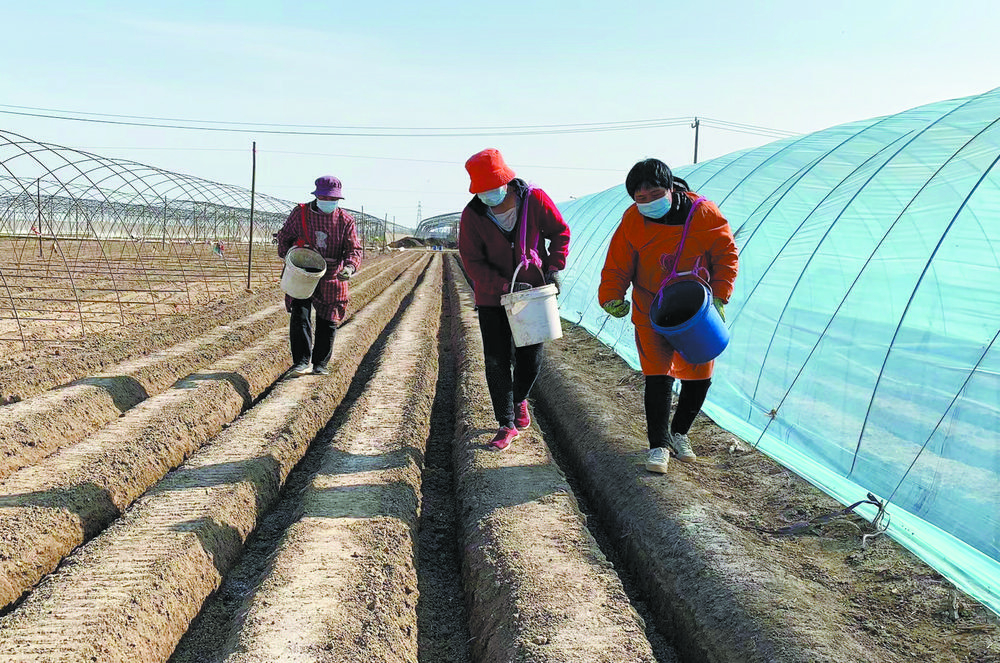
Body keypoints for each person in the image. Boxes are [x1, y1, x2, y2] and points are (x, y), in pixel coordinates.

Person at [598, 158, 737, 473]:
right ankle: (658, 445)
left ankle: (680, 433)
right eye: (640, 198)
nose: (647, 202)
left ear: (672, 188)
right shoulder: (633, 220)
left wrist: (719, 296)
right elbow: (618, 261)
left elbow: (725, 254)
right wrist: (610, 295)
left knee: (700, 375)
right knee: (658, 375)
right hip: (652, 306)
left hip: (694, 309)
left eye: (655, 193)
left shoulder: (702, 214)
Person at [458, 148, 571, 450]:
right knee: (496, 358)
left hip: (533, 294)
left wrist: (554, 266)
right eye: (482, 190)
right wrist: (504, 285)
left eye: (493, 188)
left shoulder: (533, 200)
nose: (489, 195)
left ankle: (519, 398)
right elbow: (471, 261)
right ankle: (505, 422)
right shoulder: (473, 216)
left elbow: (560, 232)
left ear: (506, 181)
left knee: (530, 356)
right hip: (493, 297)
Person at [275, 175, 363, 377]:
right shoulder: (301, 214)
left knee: (329, 319)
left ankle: (320, 364)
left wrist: (349, 268)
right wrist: (289, 256)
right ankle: (301, 362)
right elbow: (284, 236)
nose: (329, 202)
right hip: (303, 273)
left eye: (333, 200)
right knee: (300, 315)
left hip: (332, 275)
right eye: (325, 198)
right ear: (317, 196)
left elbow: (354, 250)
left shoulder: (345, 221)